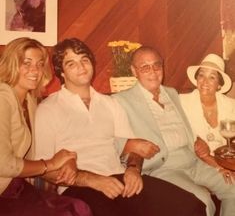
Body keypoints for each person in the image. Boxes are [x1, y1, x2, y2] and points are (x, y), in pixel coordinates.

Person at [34, 38, 206, 216]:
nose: (81, 67)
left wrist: (133, 168)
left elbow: (133, 149)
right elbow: (45, 170)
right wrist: (91, 180)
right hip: (79, 188)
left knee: (191, 207)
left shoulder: (110, 103)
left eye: (84, 59)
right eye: (71, 63)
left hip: (120, 179)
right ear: (61, 71)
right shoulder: (48, 109)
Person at [113, 46, 235, 216]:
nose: (153, 72)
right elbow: (107, 137)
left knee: (233, 189)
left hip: (193, 161)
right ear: (134, 71)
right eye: (145, 67)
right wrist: (129, 144)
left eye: (157, 66)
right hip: (164, 167)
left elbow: (190, 129)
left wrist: (214, 162)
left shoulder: (171, 93)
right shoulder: (121, 100)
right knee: (202, 201)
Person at [0, 37, 92, 216]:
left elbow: (37, 155)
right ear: (11, 64)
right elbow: (3, 164)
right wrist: (50, 163)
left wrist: (68, 161)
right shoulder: (2, 100)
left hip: (14, 186)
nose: (35, 70)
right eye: (26, 63)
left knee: (80, 208)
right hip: (3, 190)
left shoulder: (30, 100)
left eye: (40, 64)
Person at [179, 54, 235, 178]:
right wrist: (220, 168)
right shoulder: (182, 102)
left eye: (212, 77)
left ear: (219, 85)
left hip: (227, 162)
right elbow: (195, 147)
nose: (205, 82)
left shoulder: (231, 105)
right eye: (201, 75)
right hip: (197, 163)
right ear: (196, 79)